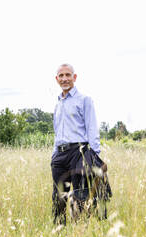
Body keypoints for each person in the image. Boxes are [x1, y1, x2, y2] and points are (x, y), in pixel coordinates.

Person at [51, 63, 104, 225]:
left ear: (74, 77)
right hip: (60, 155)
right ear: (57, 79)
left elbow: (92, 129)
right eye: (61, 76)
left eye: (68, 75)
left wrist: (93, 158)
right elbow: (57, 132)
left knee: (80, 196)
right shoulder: (58, 104)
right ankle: (58, 233)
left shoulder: (84, 100)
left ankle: (80, 234)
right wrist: (54, 155)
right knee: (58, 197)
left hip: (79, 152)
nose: (65, 78)